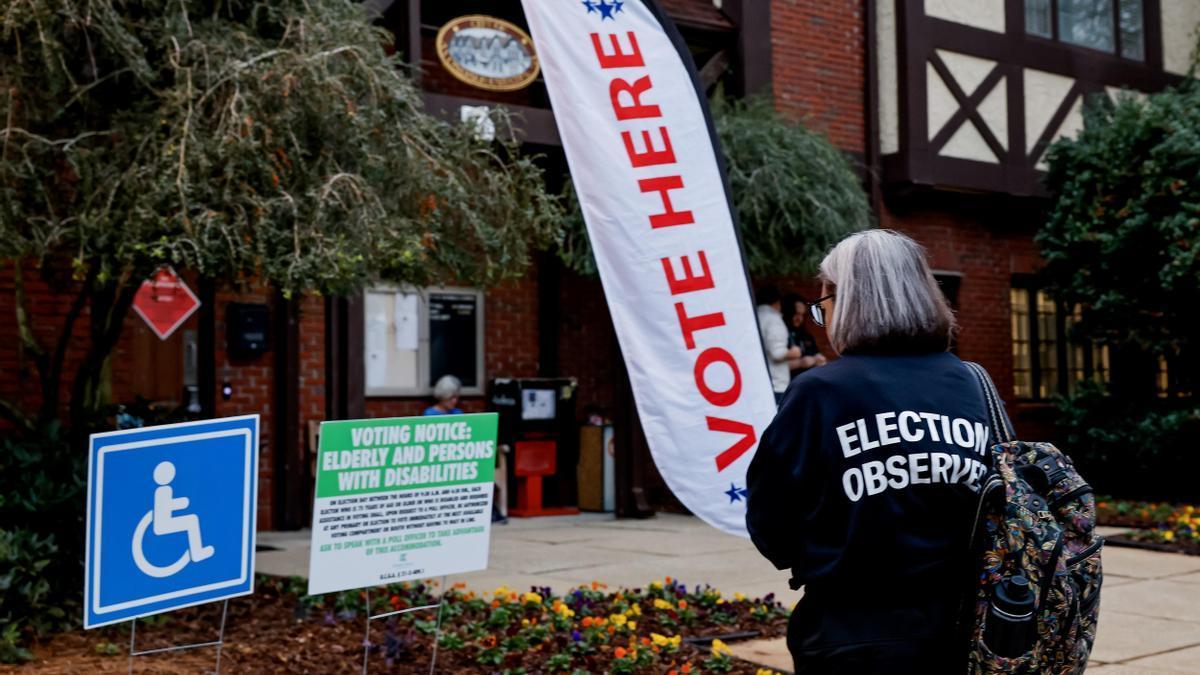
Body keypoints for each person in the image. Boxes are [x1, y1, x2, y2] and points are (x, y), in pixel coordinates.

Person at [745, 230, 1001, 674]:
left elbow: (771, 522)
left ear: (852, 302)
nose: (826, 324)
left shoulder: (820, 393)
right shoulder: (974, 385)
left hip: (851, 636)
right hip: (967, 631)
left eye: (824, 307)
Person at [756, 285, 802, 404]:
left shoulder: (754, 316)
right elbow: (777, 353)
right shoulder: (773, 319)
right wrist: (794, 352)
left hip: (761, 382)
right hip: (777, 383)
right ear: (777, 302)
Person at [782, 293, 828, 379]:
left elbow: (816, 353)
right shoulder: (781, 333)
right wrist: (800, 363)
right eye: (796, 314)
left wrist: (819, 358)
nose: (800, 318)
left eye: (802, 315)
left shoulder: (805, 335)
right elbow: (774, 365)